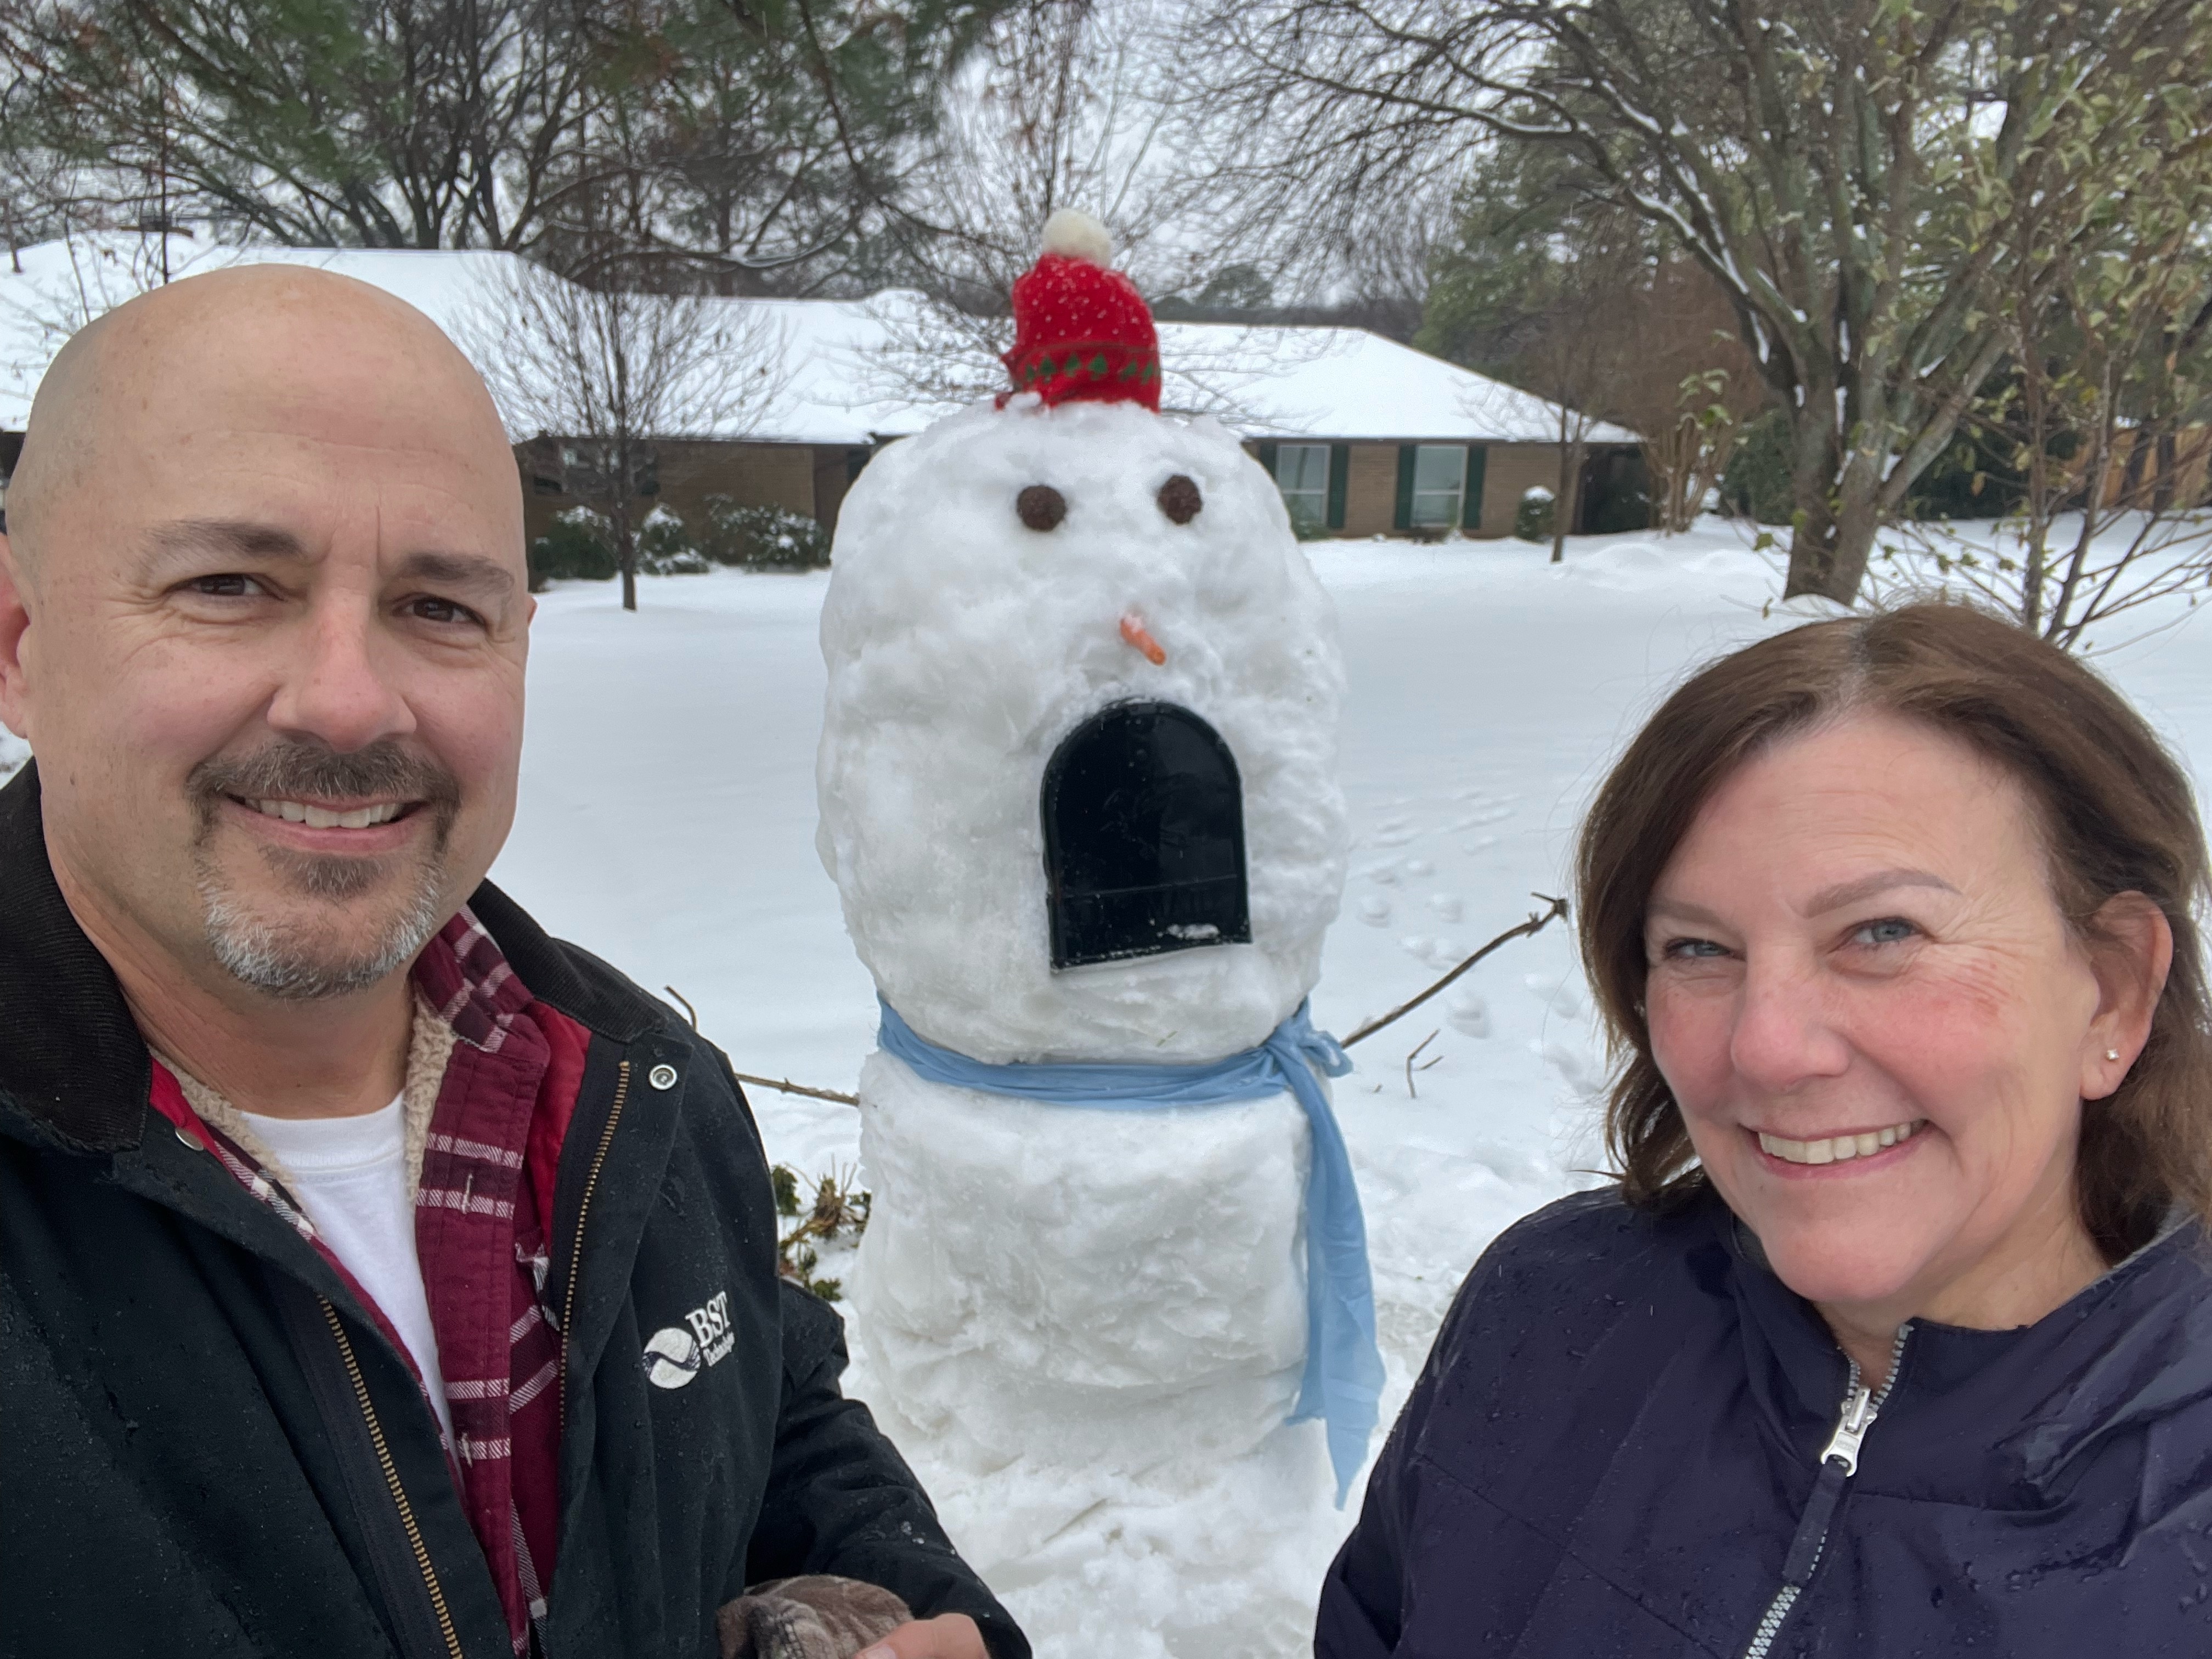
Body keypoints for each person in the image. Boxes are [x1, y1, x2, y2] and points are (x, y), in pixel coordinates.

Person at [0, 266, 1021, 1659]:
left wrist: (902, 1599)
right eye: (230, 584)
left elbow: (769, 1416)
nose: (352, 701)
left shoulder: (630, 1086)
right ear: (21, 642)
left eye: (440, 607)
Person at [1317, 602, 2212, 1656]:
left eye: (1882, 932)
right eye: (1698, 948)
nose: (1768, 1048)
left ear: (2110, 991)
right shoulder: (1551, 1304)